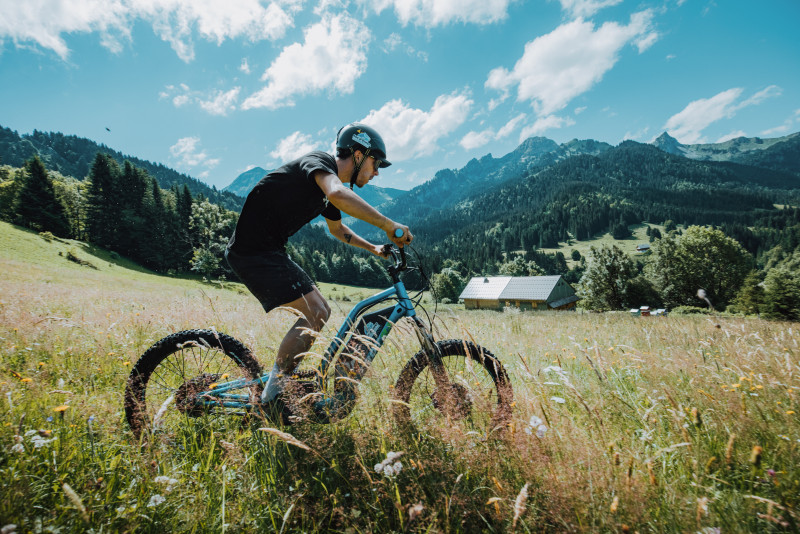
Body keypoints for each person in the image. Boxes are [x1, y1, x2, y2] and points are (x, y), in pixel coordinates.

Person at [225, 123, 413, 411]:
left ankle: (276, 390)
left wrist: (374, 248)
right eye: (376, 164)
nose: (376, 173)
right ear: (359, 154)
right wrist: (388, 225)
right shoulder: (319, 164)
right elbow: (337, 193)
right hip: (252, 252)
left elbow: (338, 230)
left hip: (269, 251)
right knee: (316, 312)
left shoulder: (328, 189)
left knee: (320, 311)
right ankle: (272, 400)